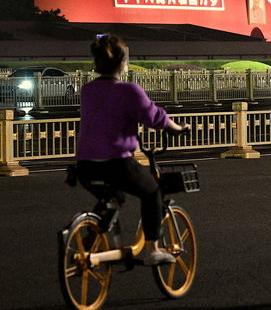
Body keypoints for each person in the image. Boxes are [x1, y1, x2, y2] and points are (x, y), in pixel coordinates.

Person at [75, 34, 190, 265]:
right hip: (116, 163)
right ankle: (152, 250)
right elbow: (154, 117)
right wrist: (178, 128)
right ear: (123, 62)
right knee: (152, 192)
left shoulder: (88, 90)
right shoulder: (129, 90)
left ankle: (92, 236)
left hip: (85, 165)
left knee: (113, 197)